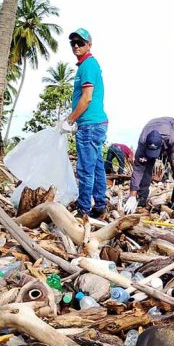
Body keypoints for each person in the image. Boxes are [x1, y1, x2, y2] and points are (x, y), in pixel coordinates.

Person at [59, 28, 108, 216]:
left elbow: (87, 98)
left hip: (90, 125)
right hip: (95, 123)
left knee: (85, 168)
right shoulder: (88, 65)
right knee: (96, 166)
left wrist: (70, 120)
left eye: (80, 42)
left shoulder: (88, 65)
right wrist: (71, 119)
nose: (76, 46)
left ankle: (84, 208)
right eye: (73, 43)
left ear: (89, 45)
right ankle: (100, 205)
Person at [123, 117, 174, 213]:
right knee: (145, 166)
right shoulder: (142, 143)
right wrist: (132, 196)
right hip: (151, 126)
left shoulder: (170, 138)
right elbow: (138, 170)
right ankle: (142, 197)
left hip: (171, 127)